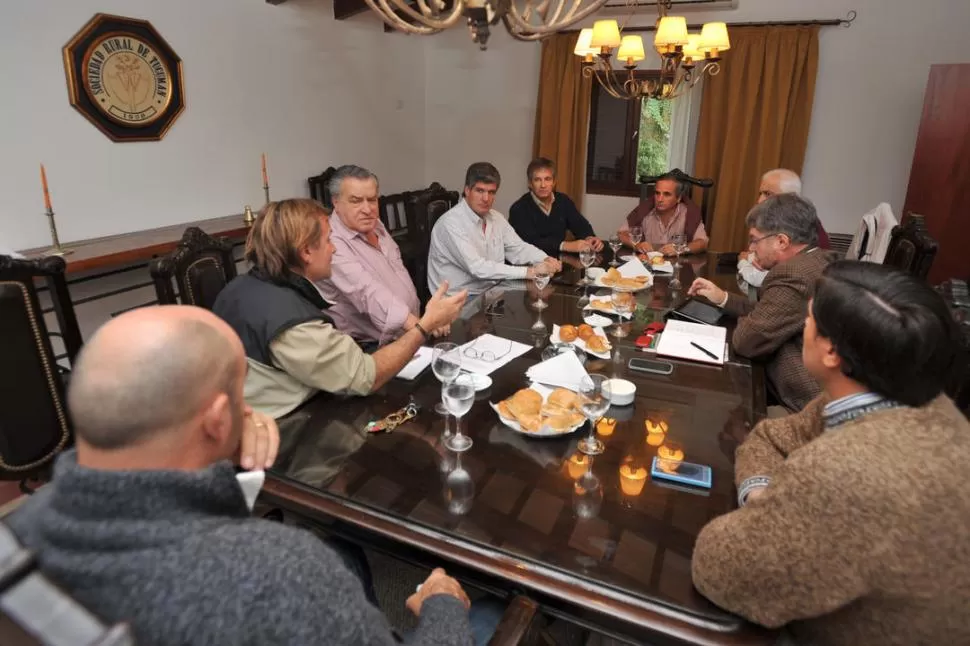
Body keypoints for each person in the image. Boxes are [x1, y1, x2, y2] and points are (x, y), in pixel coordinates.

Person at [6, 305, 484, 646]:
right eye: (242, 395)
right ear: (217, 419)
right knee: (484, 608)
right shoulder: (282, 573)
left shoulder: (16, 536)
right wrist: (443, 609)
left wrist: (231, 474)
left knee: (336, 549)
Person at [692, 261, 970, 646]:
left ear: (833, 352)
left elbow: (717, 567)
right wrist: (763, 493)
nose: (801, 330)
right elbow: (771, 438)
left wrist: (776, 512)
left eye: (807, 322)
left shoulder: (845, 474)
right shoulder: (910, 400)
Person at [213, 198, 467, 418]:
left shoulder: (238, 287)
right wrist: (425, 326)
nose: (334, 248)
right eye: (327, 240)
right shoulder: (293, 323)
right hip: (284, 435)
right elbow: (367, 377)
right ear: (305, 252)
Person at [688, 194, 836, 412]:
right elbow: (771, 309)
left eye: (754, 239)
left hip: (804, 405)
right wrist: (723, 298)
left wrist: (750, 323)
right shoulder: (818, 258)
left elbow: (746, 341)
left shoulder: (794, 274)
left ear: (782, 241)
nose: (751, 248)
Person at [315, 165, 447, 349]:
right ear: (336, 202)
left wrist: (424, 318)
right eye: (356, 201)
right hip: (369, 347)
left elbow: (397, 272)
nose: (367, 209)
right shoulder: (331, 242)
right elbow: (367, 292)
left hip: (407, 331)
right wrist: (422, 327)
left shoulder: (375, 224)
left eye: (372, 200)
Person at [427, 162, 562, 296]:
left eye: (491, 192)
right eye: (480, 191)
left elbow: (518, 248)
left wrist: (545, 259)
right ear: (467, 190)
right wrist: (530, 272)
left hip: (490, 294)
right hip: (456, 302)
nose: (486, 198)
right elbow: (478, 268)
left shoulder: (496, 218)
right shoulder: (451, 223)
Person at [739, 169, 831, 287]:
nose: (760, 200)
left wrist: (744, 263)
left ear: (790, 198)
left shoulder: (806, 229)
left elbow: (775, 279)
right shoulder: (776, 221)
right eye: (760, 193)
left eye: (768, 194)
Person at [508, 157, 602, 257]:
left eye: (547, 179)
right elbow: (531, 241)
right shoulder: (518, 208)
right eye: (537, 180)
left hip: (560, 262)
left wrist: (590, 238)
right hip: (530, 263)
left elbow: (580, 224)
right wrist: (565, 245)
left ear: (554, 182)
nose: (543, 185)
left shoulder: (563, 200)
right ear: (530, 183)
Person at [619, 172, 709, 255]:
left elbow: (703, 242)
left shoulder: (689, 213)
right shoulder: (645, 210)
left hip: (679, 267)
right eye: (657, 193)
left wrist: (681, 249)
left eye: (667, 194)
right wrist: (637, 245)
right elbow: (621, 234)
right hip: (649, 265)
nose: (660, 199)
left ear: (678, 198)